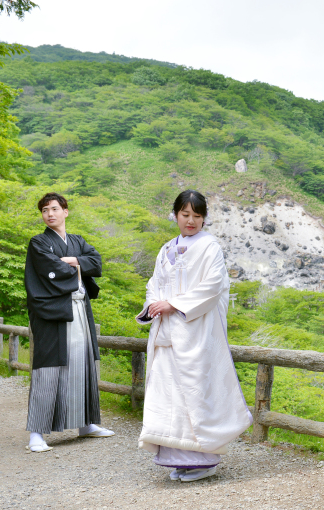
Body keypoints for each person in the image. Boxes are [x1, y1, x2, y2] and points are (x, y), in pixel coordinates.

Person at [137, 190, 252, 482]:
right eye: (185, 214)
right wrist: (154, 304)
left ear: (204, 218)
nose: (191, 221)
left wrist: (174, 304)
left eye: (197, 216)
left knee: (195, 391)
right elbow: (155, 283)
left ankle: (205, 461)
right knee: (169, 393)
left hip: (196, 332)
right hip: (167, 333)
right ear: (175, 214)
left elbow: (213, 286)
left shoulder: (210, 246)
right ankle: (179, 458)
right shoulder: (166, 248)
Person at [23, 192, 114, 453]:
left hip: (79, 310)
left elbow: (96, 262)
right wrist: (78, 267)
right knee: (48, 371)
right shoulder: (38, 242)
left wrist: (74, 261)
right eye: (44, 211)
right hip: (53, 314)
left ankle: (86, 424)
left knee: (83, 365)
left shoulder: (76, 241)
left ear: (66, 211)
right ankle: (37, 433)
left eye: (54, 209)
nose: (49, 214)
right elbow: (52, 270)